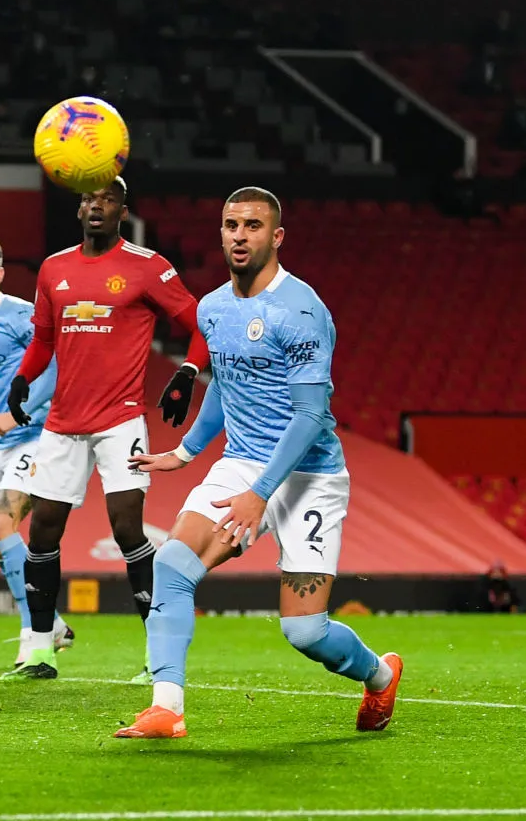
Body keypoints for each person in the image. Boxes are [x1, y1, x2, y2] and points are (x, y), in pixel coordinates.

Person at [119, 187, 401, 738]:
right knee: (172, 569)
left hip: (308, 476)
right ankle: (166, 708)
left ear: (276, 237)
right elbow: (226, 385)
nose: (239, 236)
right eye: (230, 225)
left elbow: (311, 416)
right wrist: (185, 453)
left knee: (305, 633)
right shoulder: (213, 308)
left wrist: (262, 491)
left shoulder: (301, 310)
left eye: (252, 226)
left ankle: (379, 674)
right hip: (243, 462)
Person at [2, 178, 210, 682]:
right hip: (63, 424)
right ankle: (40, 651)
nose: (98, 207)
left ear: (123, 209)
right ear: (79, 209)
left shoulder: (148, 265)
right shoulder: (55, 268)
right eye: (90, 200)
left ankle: (154, 656)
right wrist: (22, 378)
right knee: (42, 531)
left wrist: (187, 372)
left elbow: (203, 323)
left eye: (109, 200)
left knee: (126, 528)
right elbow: (44, 341)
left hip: (121, 420)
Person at [0, 236, 75, 665]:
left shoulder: (23, 314)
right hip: (2, 441)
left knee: (3, 528)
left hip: (38, 434)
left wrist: (19, 407)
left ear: (0, 273)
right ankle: (54, 623)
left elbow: (58, 364)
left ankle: (33, 633)